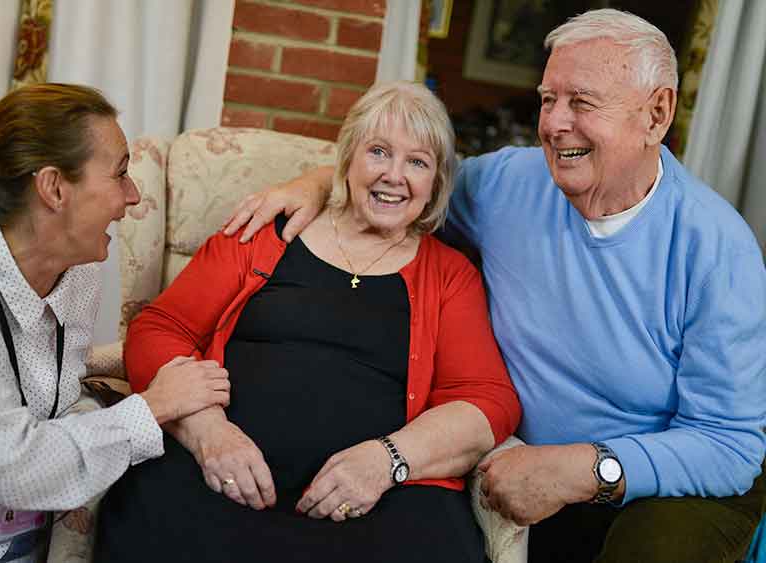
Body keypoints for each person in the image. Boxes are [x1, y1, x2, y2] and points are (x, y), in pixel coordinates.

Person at [223, 9, 766, 563]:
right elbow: (403, 181)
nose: (554, 123)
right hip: (517, 462)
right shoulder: (512, 183)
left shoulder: (718, 248)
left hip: (673, 480)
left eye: (581, 102)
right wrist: (316, 183)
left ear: (657, 113)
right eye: (548, 99)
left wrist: (586, 468)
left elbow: (729, 444)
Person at [94, 81, 520, 563]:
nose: (394, 176)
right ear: (348, 160)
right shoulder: (265, 233)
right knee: (147, 507)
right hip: (221, 477)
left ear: (436, 183)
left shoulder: (449, 275)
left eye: (417, 162)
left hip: (376, 506)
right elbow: (160, 327)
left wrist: (387, 460)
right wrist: (209, 433)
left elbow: (487, 399)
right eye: (378, 152)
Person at [0, 83, 231, 563]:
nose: (132, 196)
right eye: (120, 173)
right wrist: (154, 406)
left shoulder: (79, 269)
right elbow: (17, 467)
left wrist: (122, 360)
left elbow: (44, 382)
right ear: (53, 188)